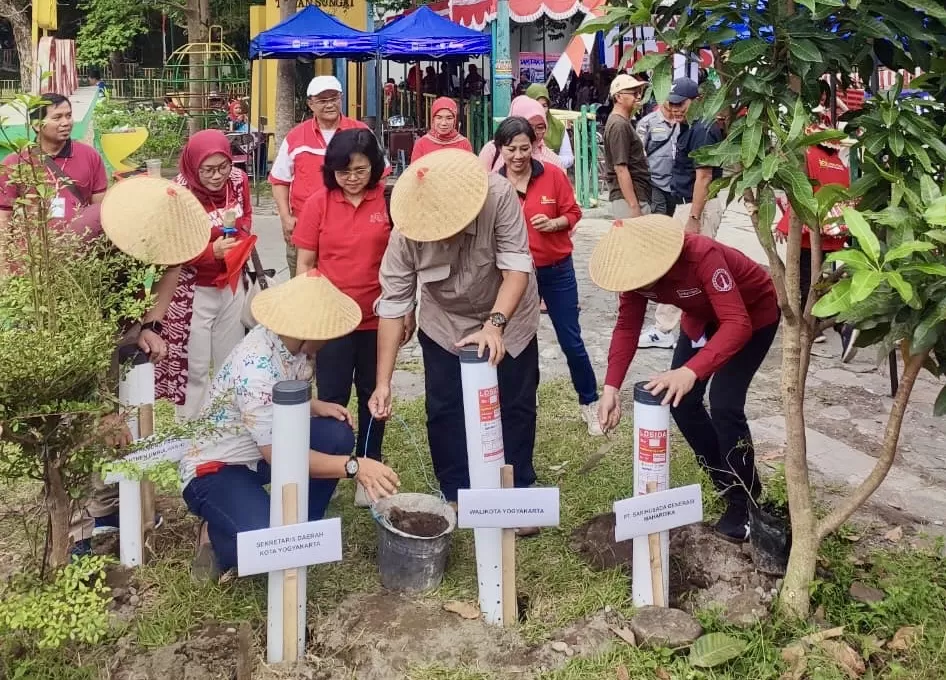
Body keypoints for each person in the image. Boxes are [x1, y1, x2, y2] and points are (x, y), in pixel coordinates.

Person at [181, 271, 401, 578]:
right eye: (328, 332)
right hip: (216, 469)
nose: (332, 339)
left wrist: (314, 405)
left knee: (336, 435)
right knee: (272, 547)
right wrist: (355, 467)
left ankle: (302, 525)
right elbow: (282, 457)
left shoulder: (291, 346)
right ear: (309, 330)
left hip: (258, 451)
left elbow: (278, 401)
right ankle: (216, 538)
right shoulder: (256, 366)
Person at [368, 149, 541, 516]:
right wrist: (383, 383)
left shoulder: (498, 195)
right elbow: (393, 307)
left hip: (509, 314)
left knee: (515, 403)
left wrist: (495, 326)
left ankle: (517, 494)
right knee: (444, 408)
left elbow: (515, 268)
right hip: (444, 321)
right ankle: (457, 493)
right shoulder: (406, 232)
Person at [592, 215, 779, 541]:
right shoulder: (633, 276)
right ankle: (724, 479)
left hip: (751, 315)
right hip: (702, 319)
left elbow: (737, 323)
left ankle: (745, 500)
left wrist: (689, 371)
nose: (641, 287)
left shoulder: (701, 254)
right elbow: (627, 326)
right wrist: (610, 388)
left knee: (724, 404)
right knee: (681, 400)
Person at [71, 175, 213, 555]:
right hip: (75, 330)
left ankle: (111, 507)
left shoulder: (168, 231)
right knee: (83, 427)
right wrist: (103, 410)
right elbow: (84, 333)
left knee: (124, 426)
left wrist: (148, 325)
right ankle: (76, 531)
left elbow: (173, 269)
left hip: (118, 318)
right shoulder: (87, 239)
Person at [293, 129, 408, 507]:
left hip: (379, 318)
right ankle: (329, 469)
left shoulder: (388, 201)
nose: (352, 178)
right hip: (332, 322)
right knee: (332, 396)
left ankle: (369, 468)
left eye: (360, 169)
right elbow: (306, 263)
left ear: (373, 167)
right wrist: (306, 313)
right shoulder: (319, 203)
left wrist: (408, 310)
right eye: (343, 172)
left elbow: (405, 266)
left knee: (375, 394)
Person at [494, 117, 601, 436]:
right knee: (517, 343)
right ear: (500, 149)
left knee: (571, 340)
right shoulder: (493, 184)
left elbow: (574, 212)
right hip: (513, 276)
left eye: (524, 148)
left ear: (534, 146)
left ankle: (590, 403)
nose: (517, 156)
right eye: (510, 149)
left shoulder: (552, 175)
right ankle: (522, 400)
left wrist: (556, 224)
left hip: (556, 270)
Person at [153, 130, 254, 421]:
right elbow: (171, 246)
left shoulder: (238, 180)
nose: (217, 176)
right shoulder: (178, 193)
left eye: (223, 167)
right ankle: (190, 432)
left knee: (230, 360)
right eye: (208, 170)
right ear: (193, 165)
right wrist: (211, 252)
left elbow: (245, 215)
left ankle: (228, 426)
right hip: (192, 290)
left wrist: (240, 240)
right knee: (194, 368)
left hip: (230, 284)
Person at [638, 77, 725, 350]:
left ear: (696, 101)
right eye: (671, 104)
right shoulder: (688, 126)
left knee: (684, 268)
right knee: (686, 267)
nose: (675, 109)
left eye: (681, 104)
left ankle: (669, 329)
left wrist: (694, 219)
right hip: (687, 204)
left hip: (697, 206)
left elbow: (704, 177)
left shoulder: (702, 129)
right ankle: (694, 326)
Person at [269, 76, 369, 276]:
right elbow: (280, 180)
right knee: (304, 290)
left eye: (334, 98)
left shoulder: (361, 132)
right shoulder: (296, 136)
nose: (330, 104)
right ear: (310, 104)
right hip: (305, 228)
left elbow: (380, 175)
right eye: (323, 100)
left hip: (350, 229)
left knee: (348, 286)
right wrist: (285, 217)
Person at [775, 123, 851, 347]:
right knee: (820, 278)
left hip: (809, 233)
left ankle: (812, 325)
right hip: (833, 234)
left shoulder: (809, 158)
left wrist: (783, 224)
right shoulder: (839, 164)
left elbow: (802, 194)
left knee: (805, 279)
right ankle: (833, 320)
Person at [0, 93, 107, 239]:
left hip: (80, 250)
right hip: (34, 252)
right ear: (37, 125)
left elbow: (100, 210)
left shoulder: (90, 156)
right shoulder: (16, 162)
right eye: (57, 118)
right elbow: (4, 217)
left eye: (68, 116)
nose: (66, 122)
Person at [602, 74, 652, 219]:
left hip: (635, 194)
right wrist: (634, 206)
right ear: (618, 97)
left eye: (640, 92)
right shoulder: (619, 125)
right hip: (629, 198)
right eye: (634, 93)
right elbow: (620, 168)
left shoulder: (622, 122)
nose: (638, 97)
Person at [479, 95, 562, 171]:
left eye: (540, 127)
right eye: (529, 126)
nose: (534, 133)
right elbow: (480, 183)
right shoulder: (492, 151)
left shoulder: (553, 161)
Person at [636, 89, 682, 216]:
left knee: (672, 217)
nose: (673, 104)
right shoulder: (647, 123)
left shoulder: (681, 122)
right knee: (659, 215)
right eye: (670, 99)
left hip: (675, 183)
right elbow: (638, 152)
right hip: (654, 181)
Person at [525, 84, 574, 169]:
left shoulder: (557, 127)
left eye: (544, 106)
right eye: (537, 105)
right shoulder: (520, 126)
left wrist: (549, 159)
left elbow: (569, 158)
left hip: (552, 173)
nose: (541, 110)